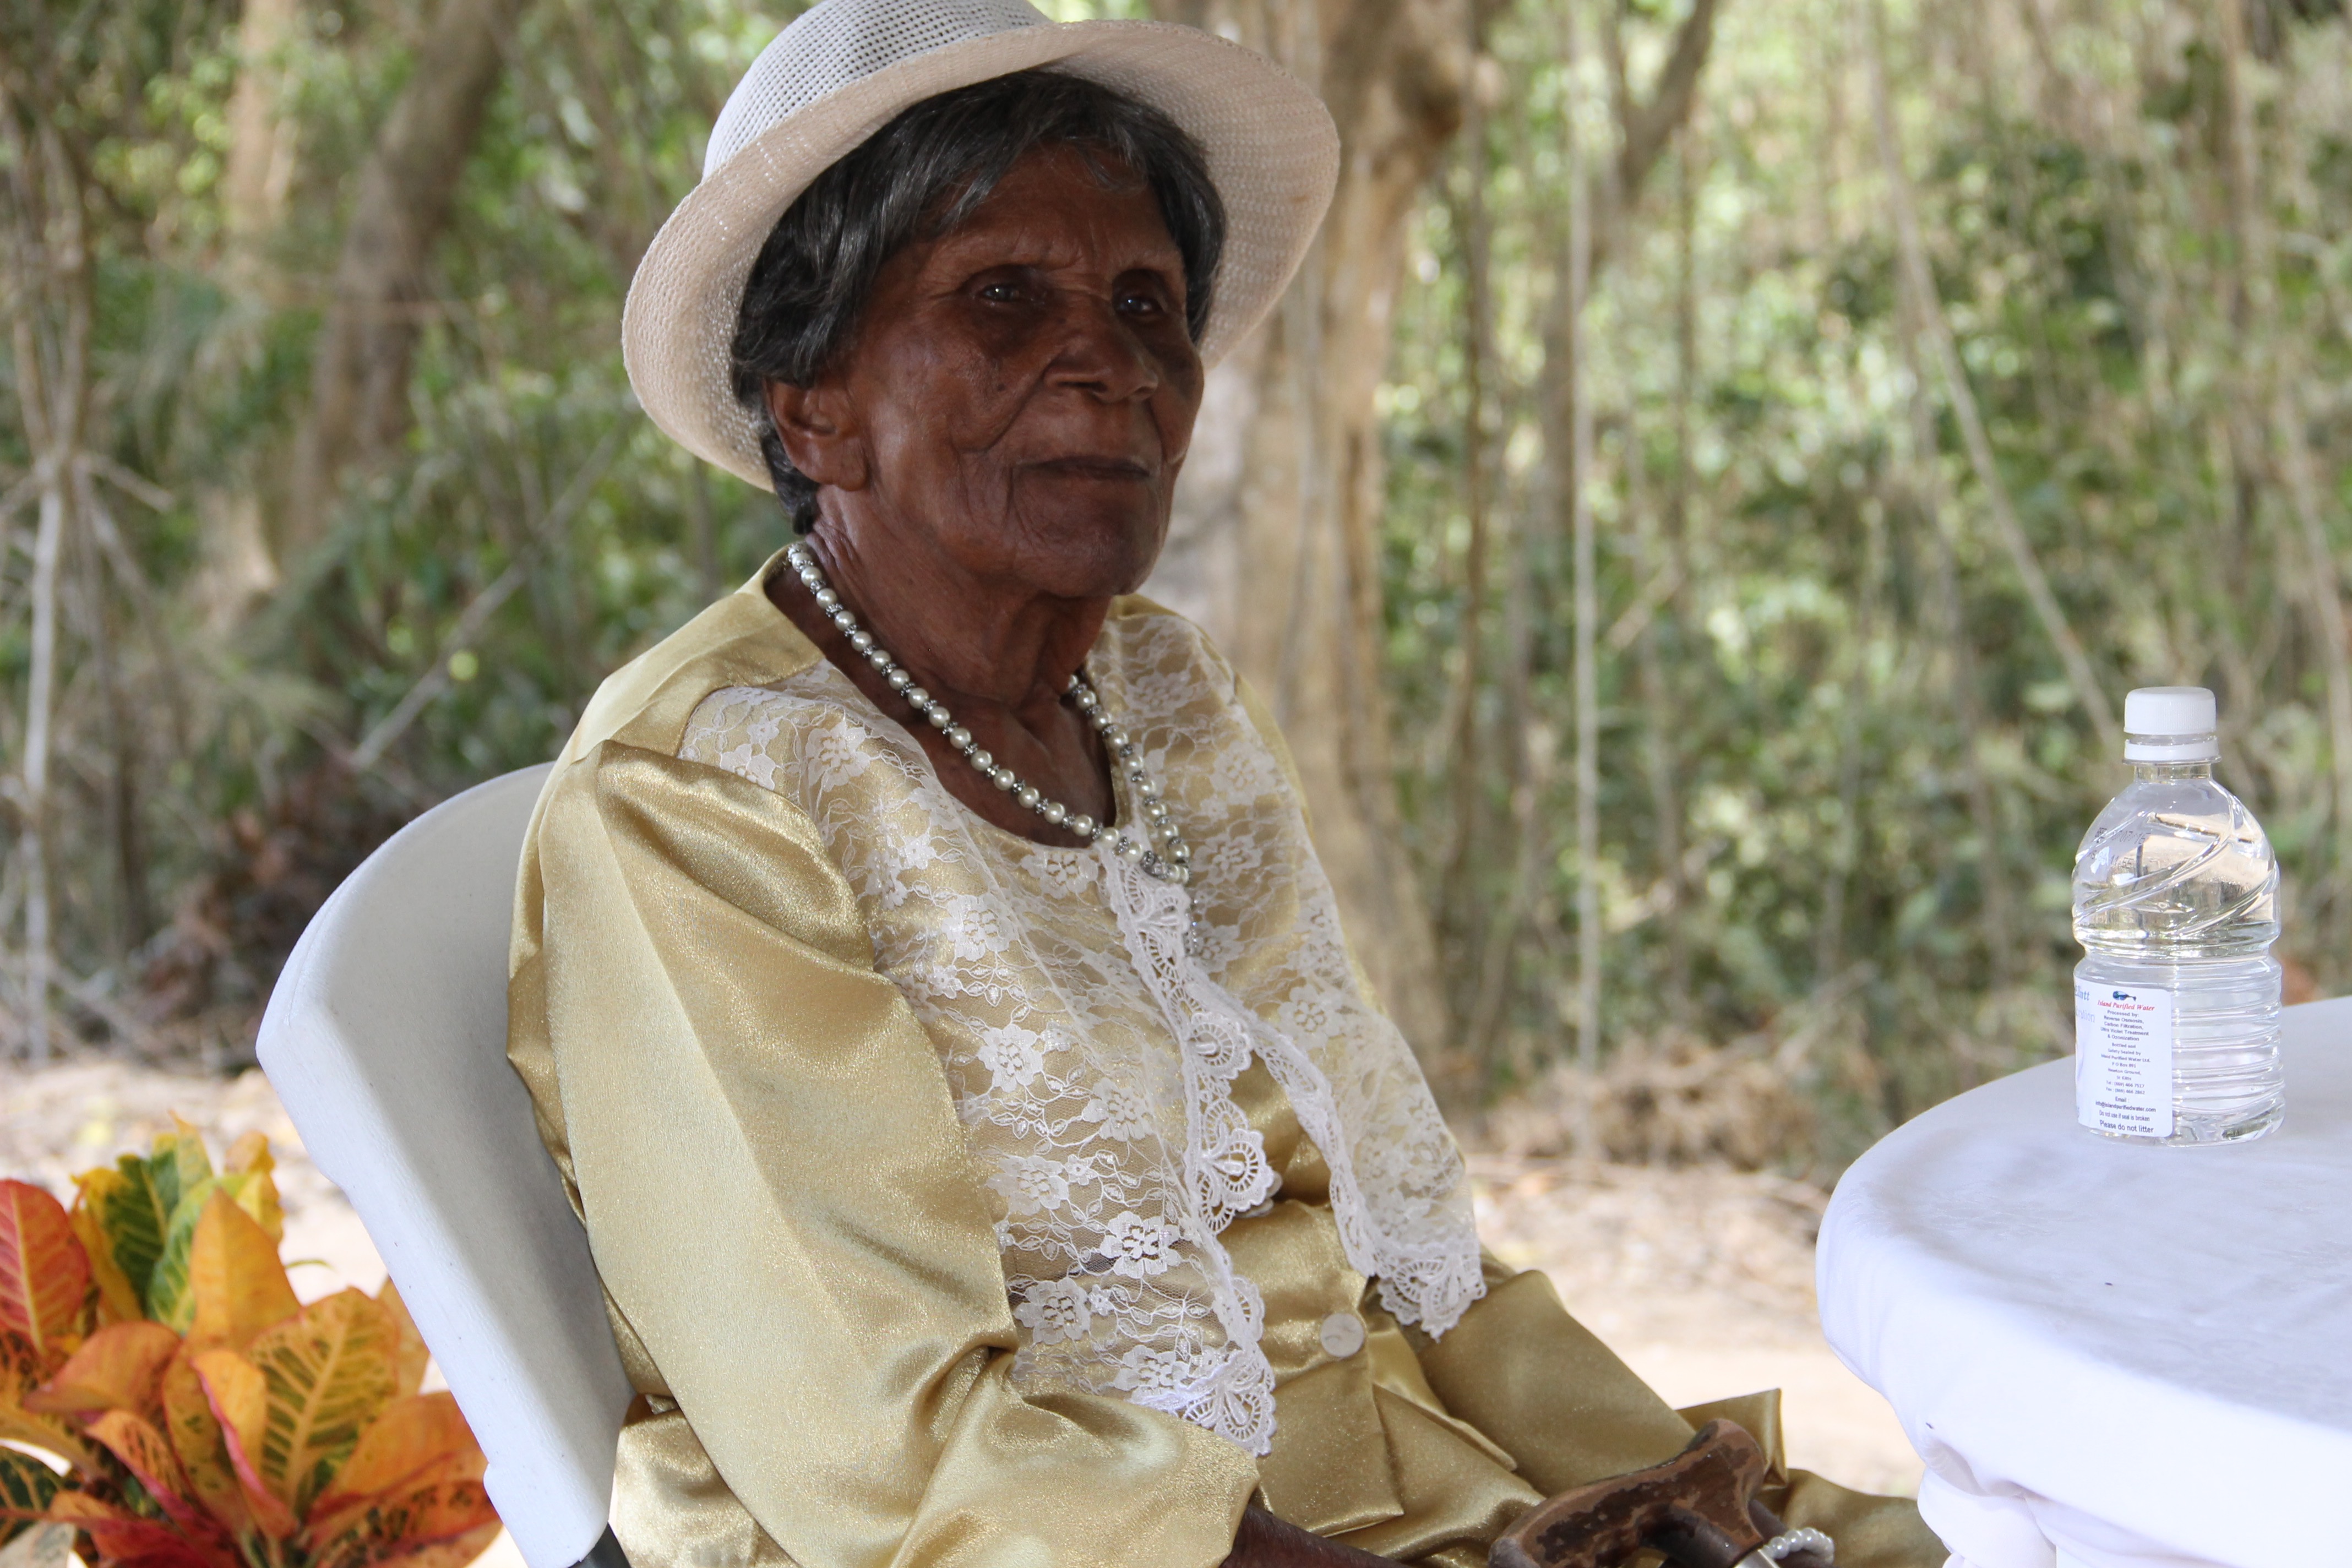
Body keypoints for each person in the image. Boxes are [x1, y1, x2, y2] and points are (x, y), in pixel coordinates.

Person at [507, 3, 1947, 1567]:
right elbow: (895, 1467)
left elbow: (1414, 1264)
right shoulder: (702, 795)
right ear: (813, 402)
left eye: (1149, 304)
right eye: (1003, 298)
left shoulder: (1160, 690)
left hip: (1412, 1504)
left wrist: (1705, 1495)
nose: (1112, 366)